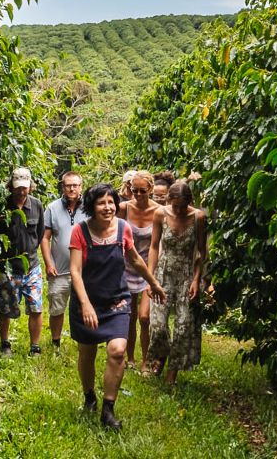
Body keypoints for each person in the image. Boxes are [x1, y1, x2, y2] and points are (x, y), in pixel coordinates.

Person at [69, 183, 165, 430]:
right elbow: (75, 272)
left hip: (117, 300)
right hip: (87, 302)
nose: (108, 207)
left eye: (111, 202)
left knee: (118, 350)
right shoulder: (80, 231)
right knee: (87, 353)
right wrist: (86, 305)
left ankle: (108, 410)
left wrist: (153, 284)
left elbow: (134, 258)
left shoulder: (123, 229)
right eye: (101, 203)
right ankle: (89, 396)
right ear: (92, 207)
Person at [146, 179, 207, 384]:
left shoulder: (199, 217)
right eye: (175, 205)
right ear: (169, 200)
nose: (179, 210)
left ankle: (172, 371)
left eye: (183, 206)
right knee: (158, 324)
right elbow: (154, 247)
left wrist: (197, 280)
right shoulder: (160, 214)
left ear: (189, 201)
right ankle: (161, 356)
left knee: (183, 325)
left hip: (186, 275)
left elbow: (201, 251)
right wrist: (150, 277)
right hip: (163, 273)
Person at [0, 167, 45, 357]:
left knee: (36, 307)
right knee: (5, 307)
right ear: (10, 187)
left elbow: (41, 233)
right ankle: (4, 343)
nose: (21, 191)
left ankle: (35, 346)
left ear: (31, 187)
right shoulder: (0, 208)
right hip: (8, 267)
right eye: (18, 187)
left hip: (32, 266)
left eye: (25, 188)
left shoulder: (36, 206)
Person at [117, 170, 159, 371]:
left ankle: (146, 361)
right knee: (130, 315)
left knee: (145, 317)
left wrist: (152, 275)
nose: (139, 195)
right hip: (126, 267)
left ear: (150, 189)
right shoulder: (124, 208)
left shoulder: (159, 211)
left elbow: (158, 244)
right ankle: (130, 357)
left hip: (148, 267)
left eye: (143, 191)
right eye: (135, 191)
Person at [40, 171, 87, 349]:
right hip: (59, 270)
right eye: (68, 185)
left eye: (75, 185)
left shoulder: (89, 207)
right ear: (63, 187)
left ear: (80, 187)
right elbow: (45, 238)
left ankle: (83, 341)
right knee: (57, 307)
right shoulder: (52, 208)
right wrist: (49, 263)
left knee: (82, 305)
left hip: (83, 270)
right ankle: (55, 342)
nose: (72, 188)